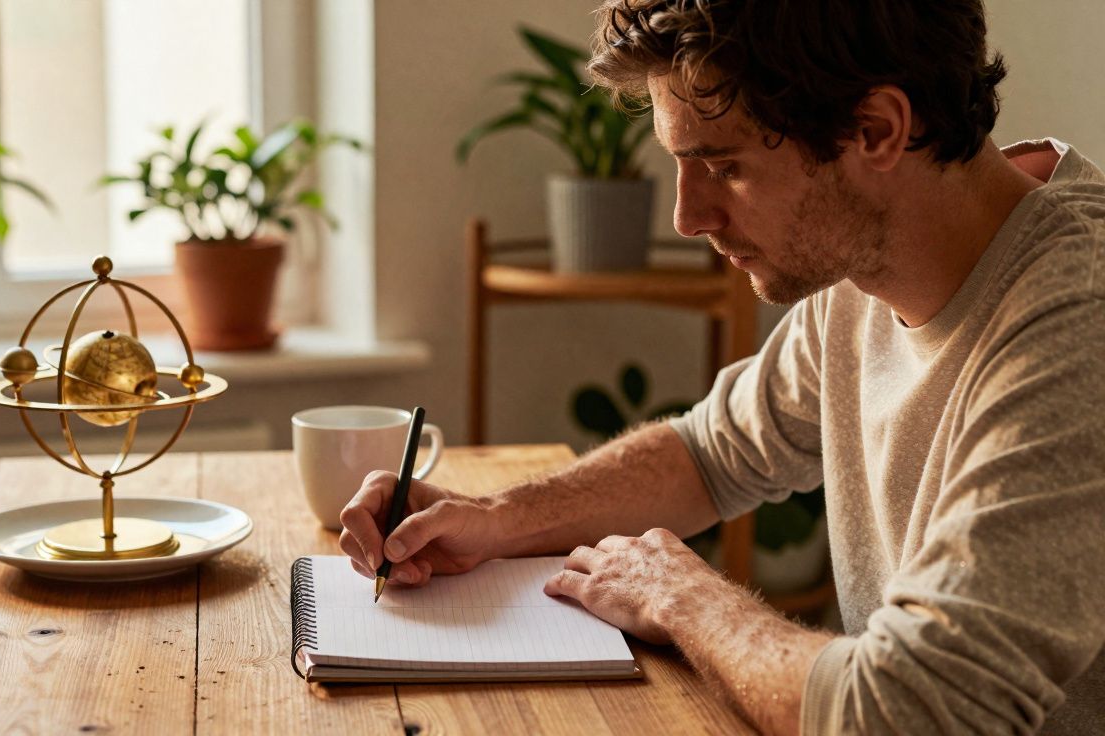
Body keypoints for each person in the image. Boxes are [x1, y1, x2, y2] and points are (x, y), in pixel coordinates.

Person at [339, 0, 1105, 732]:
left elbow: (908, 714)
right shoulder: (876, 260)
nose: (687, 217)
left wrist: (686, 599)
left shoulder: (1077, 320)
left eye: (724, 166)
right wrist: (494, 517)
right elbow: (711, 454)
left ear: (876, 130)